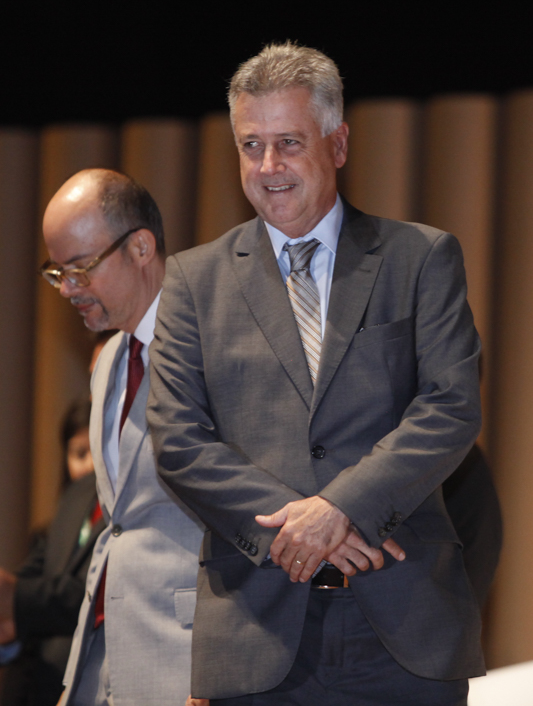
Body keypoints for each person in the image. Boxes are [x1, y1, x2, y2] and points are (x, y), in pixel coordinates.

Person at [147, 41, 485, 705]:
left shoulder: (420, 258)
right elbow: (178, 441)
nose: (268, 167)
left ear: (339, 143)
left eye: (289, 143)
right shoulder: (192, 280)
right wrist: (297, 532)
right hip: (256, 633)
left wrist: (341, 508)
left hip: (402, 629)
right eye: (250, 146)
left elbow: (450, 406)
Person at [39, 169, 205, 706]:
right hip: (104, 663)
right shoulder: (109, 360)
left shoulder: (211, 345)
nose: (67, 289)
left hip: (186, 663)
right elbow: (119, 527)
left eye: (80, 269)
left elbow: (245, 522)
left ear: (141, 247)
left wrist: (219, 675)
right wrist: (77, 678)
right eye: (57, 272)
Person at [0, 399, 104, 706]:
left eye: (96, 450)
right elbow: (21, 585)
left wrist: (15, 598)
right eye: (79, 454)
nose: (90, 466)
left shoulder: (126, 516)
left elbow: (94, 591)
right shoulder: (65, 511)